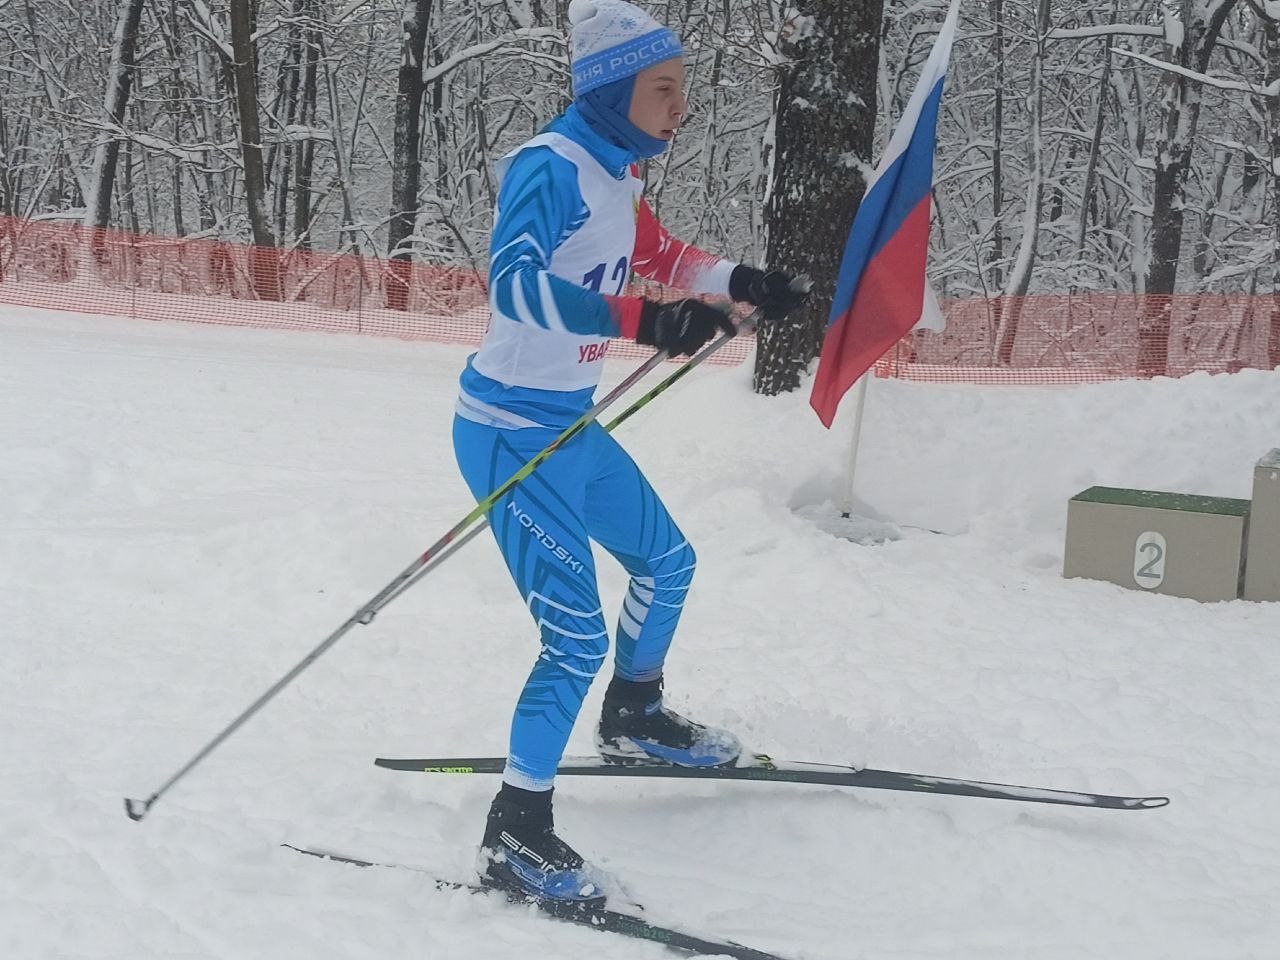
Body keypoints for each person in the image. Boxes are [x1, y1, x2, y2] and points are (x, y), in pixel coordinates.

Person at [451, 0, 808, 909]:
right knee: (570, 634)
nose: (677, 107)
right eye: (662, 89)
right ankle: (515, 831)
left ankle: (635, 713)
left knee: (668, 561)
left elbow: (666, 253)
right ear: (613, 90)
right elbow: (517, 283)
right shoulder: (550, 166)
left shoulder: (616, 176)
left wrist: (743, 281)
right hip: (508, 435)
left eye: (683, 90)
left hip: (569, 427)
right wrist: (644, 320)